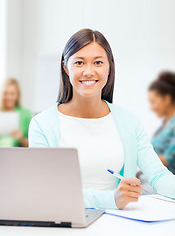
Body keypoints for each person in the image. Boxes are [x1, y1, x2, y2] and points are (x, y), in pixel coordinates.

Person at [28, 28, 175, 210]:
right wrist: (111, 199)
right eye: (79, 63)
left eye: (98, 62)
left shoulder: (129, 122)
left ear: (109, 68)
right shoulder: (41, 125)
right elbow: (45, 190)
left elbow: (159, 176)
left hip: (118, 224)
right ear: (66, 67)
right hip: (65, 223)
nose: (89, 71)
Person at [148, 71, 175, 175]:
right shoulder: (163, 128)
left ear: (166, 99)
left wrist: (137, 159)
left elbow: (169, 159)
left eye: (153, 102)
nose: (151, 108)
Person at [0, 78, 32, 147]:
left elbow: (33, 145)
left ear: (17, 95)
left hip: (18, 154)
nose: (8, 97)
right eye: (5, 93)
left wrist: (21, 139)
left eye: (12, 94)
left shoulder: (25, 114)